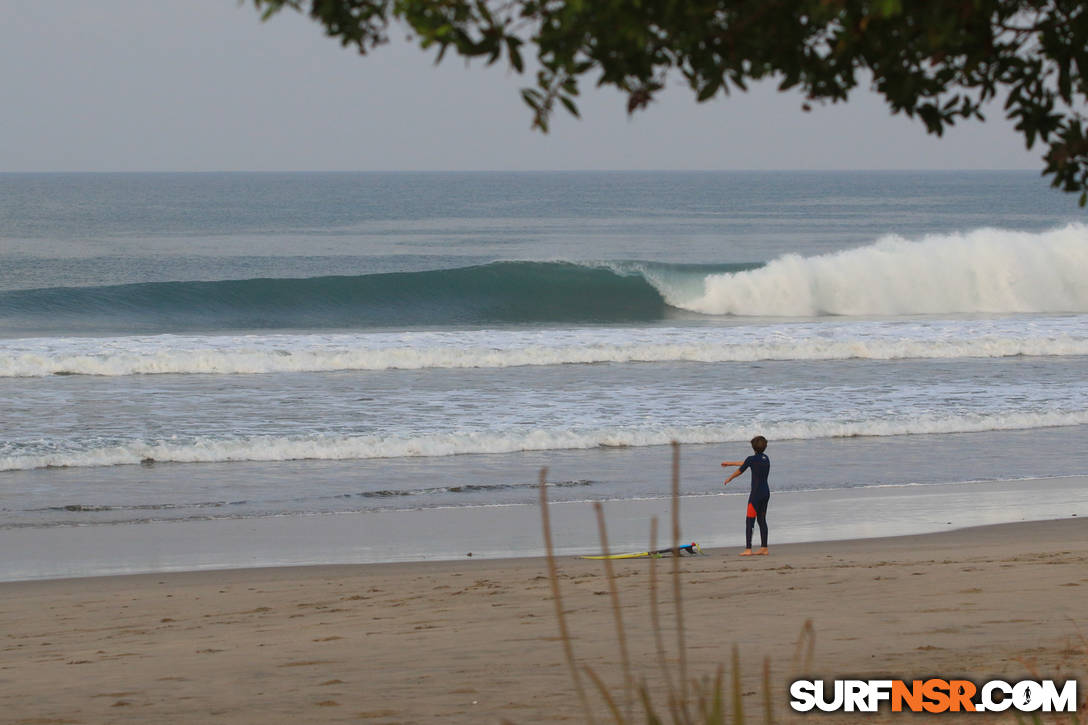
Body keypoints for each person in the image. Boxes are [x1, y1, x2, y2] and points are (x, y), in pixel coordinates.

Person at [721, 435, 770, 556]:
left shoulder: (751, 459)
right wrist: (730, 463)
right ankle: (764, 548)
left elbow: (741, 470)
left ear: (753, 447)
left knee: (750, 521)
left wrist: (730, 478)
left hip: (756, 494)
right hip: (766, 493)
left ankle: (748, 549)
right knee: (762, 520)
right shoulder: (766, 458)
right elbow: (747, 463)